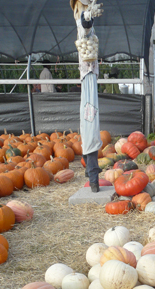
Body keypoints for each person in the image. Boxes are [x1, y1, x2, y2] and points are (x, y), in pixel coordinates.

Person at [70, 0, 103, 193]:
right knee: (91, 122)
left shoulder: (80, 20)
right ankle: (92, 173)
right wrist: (87, 19)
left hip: (88, 75)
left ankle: (90, 168)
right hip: (88, 76)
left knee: (88, 120)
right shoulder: (82, 19)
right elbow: (85, 27)